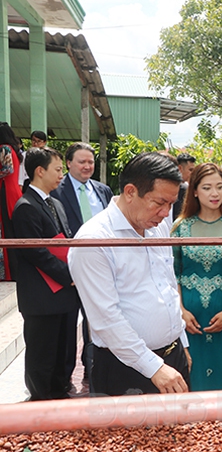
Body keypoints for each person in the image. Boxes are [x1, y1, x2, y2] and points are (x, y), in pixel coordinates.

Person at [68, 152, 190, 396]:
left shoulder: (158, 225)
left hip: (172, 360)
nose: (166, 213)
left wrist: (182, 343)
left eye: (171, 204)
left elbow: (167, 284)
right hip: (125, 368)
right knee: (125, 435)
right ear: (131, 192)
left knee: (178, 433)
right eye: (159, 203)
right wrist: (154, 368)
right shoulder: (93, 240)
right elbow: (106, 320)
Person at [172, 163, 222, 391]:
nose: (215, 193)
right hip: (190, 320)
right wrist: (181, 312)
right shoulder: (179, 227)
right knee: (192, 378)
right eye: (207, 187)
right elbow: (172, 273)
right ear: (195, 191)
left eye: (219, 187)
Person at [12, 147, 79, 400]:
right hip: (41, 296)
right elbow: (36, 252)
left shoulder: (56, 204)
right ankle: (41, 401)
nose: (62, 174)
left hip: (64, 293)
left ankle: (61, 392)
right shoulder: (25, 206)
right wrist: (68, 274)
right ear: (40, 171)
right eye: (58, 169)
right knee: (42, 353)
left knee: (64, 350)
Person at [50, 142, 114, 389]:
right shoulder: (56, 190)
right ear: (68, 163)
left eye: (91, 162)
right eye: (81, 162)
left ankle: (93, 367)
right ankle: (64, 377)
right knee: (68, 324)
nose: (87, 166)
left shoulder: (103, 190)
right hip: (69, 267)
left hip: (100, 265)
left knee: (98, 318)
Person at [0, 123, 23, 280]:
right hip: (12, 191)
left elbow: (7, 169)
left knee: (6, 231)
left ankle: (9, 272)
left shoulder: (4, 148)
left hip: (5, 191)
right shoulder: (12, 148)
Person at [173, 153, 196, 220]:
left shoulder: (186, 187)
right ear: (180, 168)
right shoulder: (181, 189)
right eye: (190, 170)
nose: (192, 173)